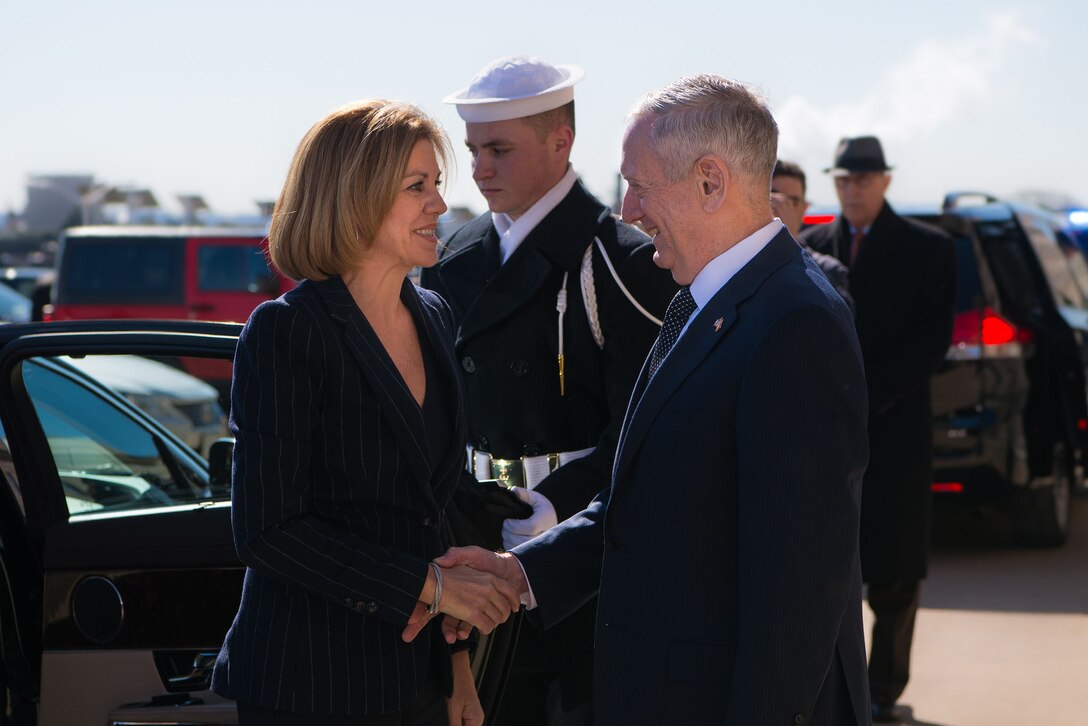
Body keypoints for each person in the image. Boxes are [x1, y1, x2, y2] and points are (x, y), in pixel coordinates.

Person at [414, 75, 872, 725]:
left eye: (641, 184)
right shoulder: (696, 299)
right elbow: (642, 503)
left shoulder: (795, 325)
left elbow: (797, 593)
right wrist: (520, 574)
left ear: (711, 182)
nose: (627, 210)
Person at [210, 99, 521, 726]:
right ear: (355, 197)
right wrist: (427, 587)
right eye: (416, 187)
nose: (439, 204)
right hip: (309, 685)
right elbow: (267, 530)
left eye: (437, 184)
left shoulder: (433, 314)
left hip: (418, 684)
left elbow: (435, 510)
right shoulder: (286, 331)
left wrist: (458, 670)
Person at [421, 56, 676, 726]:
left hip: (587, 554)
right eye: (473, 151)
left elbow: (643, 427)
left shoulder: (621, 260)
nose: (479, 170)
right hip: (478, 542)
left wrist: (551, 507)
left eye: (499, 149)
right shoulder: (451, 259)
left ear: (561, 142)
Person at [801, 135, 955, 723]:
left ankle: (886, 690)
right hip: (829, 435)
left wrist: (864, 394)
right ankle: (836, 687)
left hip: (895, 430)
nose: (852, 189)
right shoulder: (813, 246)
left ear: (886, 181)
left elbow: (930, 345)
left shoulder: (929, 249)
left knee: (894, 569)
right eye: (843, 179)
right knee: (833, 566)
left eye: (862, 179)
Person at [771, 159, 854, 314]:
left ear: (805, 208)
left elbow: (841, 319)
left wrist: (787, 243)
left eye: (792, 202)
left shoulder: (828, 269)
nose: (782, 208)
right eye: (774, 198)